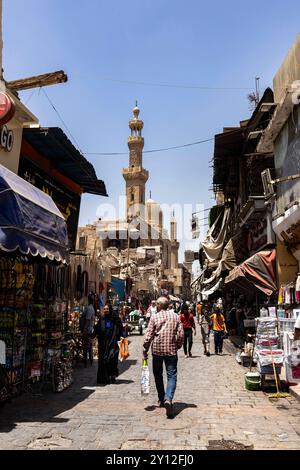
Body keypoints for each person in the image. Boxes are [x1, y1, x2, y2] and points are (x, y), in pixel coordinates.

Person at [143, 297, 184, 419]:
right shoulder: (176, 316)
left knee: (158, 374)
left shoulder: (155, 317)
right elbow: (181, 334)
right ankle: (168, 398)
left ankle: (161, 399)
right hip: (171, 351)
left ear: (159, 306)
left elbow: (149, 335)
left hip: (157, 351)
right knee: (171, 375)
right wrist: (177, 346)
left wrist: (145, 349)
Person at [92, 304, 124, 385]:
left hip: (113, 343)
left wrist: (122, 338)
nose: (105, 310)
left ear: (110, 309)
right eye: (104, 309)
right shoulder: (102, 319)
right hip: (103, 344)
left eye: (107, 309)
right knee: (103, 360)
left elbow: (121, 329)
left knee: (113, 359)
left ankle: (112, 375)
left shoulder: (115, 319)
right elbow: (97, 329)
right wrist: (92, 335)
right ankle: (104, 378)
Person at [81, 293, 95, 367]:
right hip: (89, 328)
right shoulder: (90, 308)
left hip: (88, 329)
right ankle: (89, 360)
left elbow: (87, 319)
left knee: (86, 346)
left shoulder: (89, 308)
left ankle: (86, 362)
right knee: (88, 346)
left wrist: (84, 329)